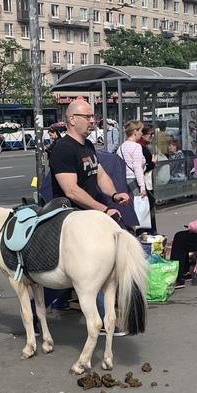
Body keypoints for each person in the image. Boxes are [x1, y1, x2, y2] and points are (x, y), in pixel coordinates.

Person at [48, 99, 130, 332]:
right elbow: (71, 190)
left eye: (93, 117)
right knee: (91, 270)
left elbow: (100, 175)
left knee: (77, 273)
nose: (93, 121)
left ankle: (39, 306)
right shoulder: (62, 149)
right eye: (88, 117)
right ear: (72, 119)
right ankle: (104, 321)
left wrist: (114, 195)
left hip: (87, 214)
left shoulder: (87, 146)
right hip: (67, 214)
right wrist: (103, 209)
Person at [116, 120, 147, 201]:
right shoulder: (136, 147)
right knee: (138, 206)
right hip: (133, 180)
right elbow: (137, 168)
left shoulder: (121, 147)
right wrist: (142, 186)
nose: (142, 133)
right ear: (135, 132)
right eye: (140, 131)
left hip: (123, 181)